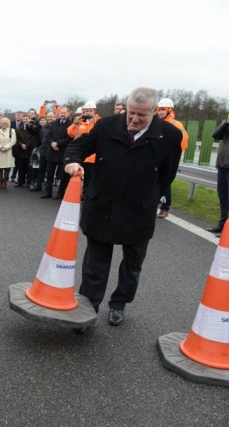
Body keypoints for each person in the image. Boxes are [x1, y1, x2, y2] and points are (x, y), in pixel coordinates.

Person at [64, 87, 182, 326]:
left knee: (132, 264)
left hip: (139, 209)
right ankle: (88, 308)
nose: (135, 120)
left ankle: (119, 303)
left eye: (142, 115)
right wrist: (72, 161)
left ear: (154, 113)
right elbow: (80, 146)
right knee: (95, 263)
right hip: (102, 205)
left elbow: (167, 175)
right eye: (131, 113)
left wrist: (149, 197)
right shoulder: (107, 126)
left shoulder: (169, 135)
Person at [156, 98, 188, 218]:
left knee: (166, 181)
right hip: (157, 157)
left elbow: (183, 142)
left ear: (169, 110)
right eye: (158, 110)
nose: (160, 112)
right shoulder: (155, 123)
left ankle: (165, 208)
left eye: (163, 110)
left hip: (169, 158)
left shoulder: (177, 125)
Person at [41, 108, 72, 199]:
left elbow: (70, 138)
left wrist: (58, 143)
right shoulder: (54, 123)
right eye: (61, 113)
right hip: (52, 152)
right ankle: (48, 192)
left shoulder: (71, 125)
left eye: (64, 113)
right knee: (49, 174)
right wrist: (52, 143)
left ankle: (60, 193)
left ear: (68, 113)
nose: (62, 114)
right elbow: (49, 136)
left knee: (63, 175)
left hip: (63, 153)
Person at [209, 113, 229, 236]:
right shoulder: (227, 124)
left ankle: (227, 230)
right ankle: (222, 225)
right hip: (222, 165)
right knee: (223, 198)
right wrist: (226, 122)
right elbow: (216, 135)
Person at [0, 117, 16, 189]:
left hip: (8, 151)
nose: (4, 125)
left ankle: (4, 182)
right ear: (0, 124)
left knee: (7, 167)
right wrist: (0, 147)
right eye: (2, 123)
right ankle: (0, 181)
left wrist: (5, 147)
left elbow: (13, 141)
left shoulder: (12, 131)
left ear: (8, 124)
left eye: (5, 123)